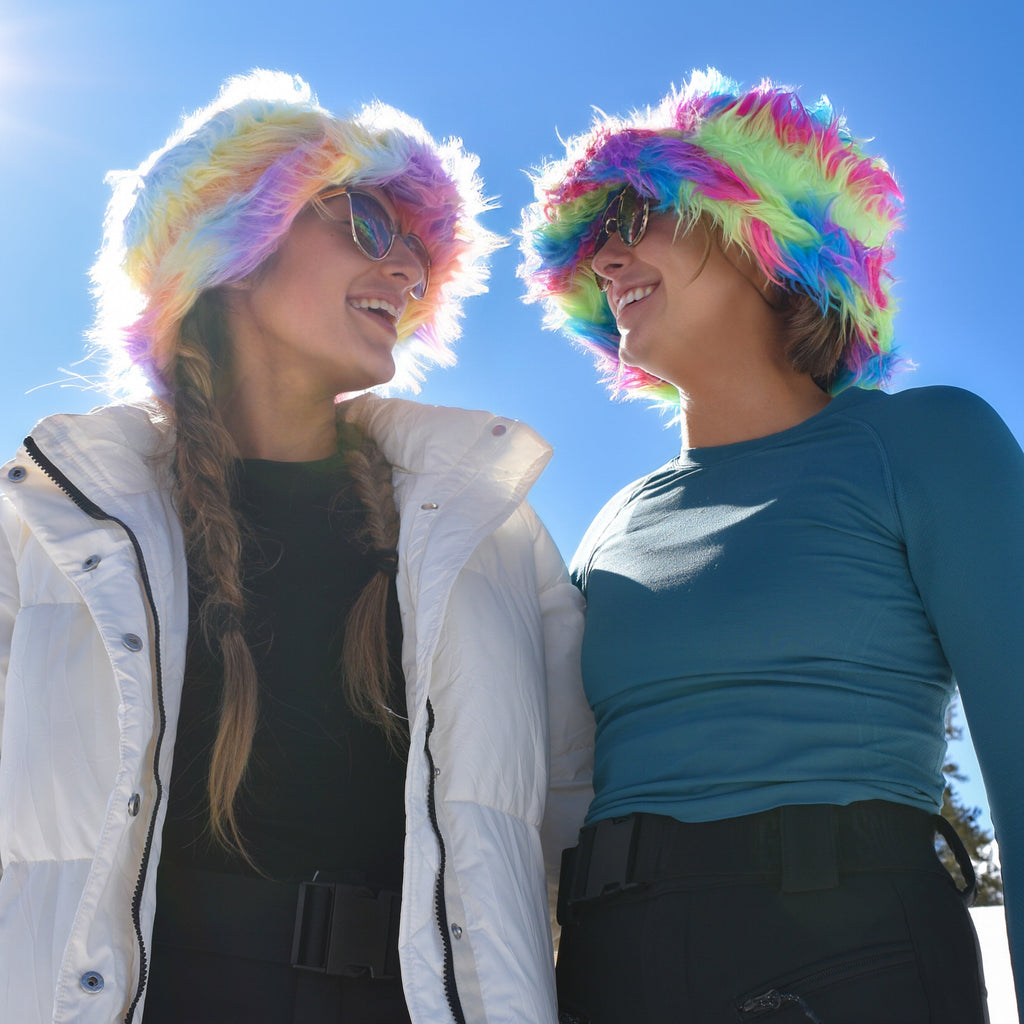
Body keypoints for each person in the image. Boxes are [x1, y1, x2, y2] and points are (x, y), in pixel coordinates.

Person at [0, 70, 593, 1024]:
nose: (403, 268)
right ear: (230, 245)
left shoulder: (482, 532)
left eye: (418, 254)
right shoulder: (53, 526)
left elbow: (567, 813)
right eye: (366, 224)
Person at [519, 69, 1022, 1023]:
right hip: (605, 973)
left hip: (843, 966)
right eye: (591, 241)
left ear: (769, 230)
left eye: (633, 212)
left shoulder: (924, 443)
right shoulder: (614, 520)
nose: (606, 258)